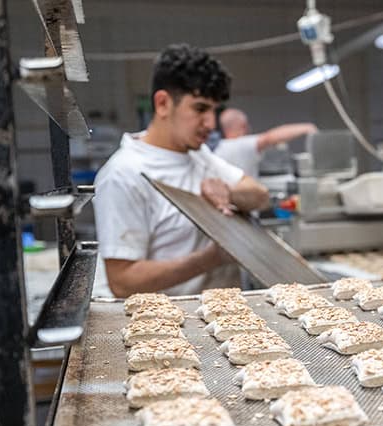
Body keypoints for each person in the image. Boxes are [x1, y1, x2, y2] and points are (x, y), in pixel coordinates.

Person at [93, 44, 269, 297]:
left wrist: (228, 192)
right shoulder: (124, 174)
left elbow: (260, 195)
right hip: (168, 328)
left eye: (214, 111)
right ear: (163, 104)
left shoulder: (199, 155)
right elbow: (123, 282)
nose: (210, 123)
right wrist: (211, 258)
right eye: (199, 109)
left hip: (225, 316)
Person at [214, 108, 317, 178]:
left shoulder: (220, 147)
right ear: (243, 126)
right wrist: (307, 127)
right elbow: (269, 138)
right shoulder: (240, 145)